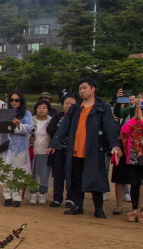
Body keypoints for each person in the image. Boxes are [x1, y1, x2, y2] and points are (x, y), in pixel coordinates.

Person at [48, 78, 121, 219]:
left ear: (93, 89)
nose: (82, 91)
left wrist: (114, 145)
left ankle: (98, 209)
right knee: (76, 179)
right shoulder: (76, 108)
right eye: (80, 88)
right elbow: (64, 127)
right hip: (75, 150)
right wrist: (54, 144)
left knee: (97, 179)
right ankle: (78, 206)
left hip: (95, 150)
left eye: (84, 88)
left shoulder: (103, 108)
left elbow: (110, 128)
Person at [0, 92, 32, 207]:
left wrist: (19, 125)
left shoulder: (26, 114)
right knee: (6, 172)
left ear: (21, 101)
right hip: (6, 147)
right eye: (12, 100)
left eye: (17, 100)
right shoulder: (5, 112)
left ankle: (17, 197)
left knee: (18, 174)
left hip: (20, 148)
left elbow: (29, 128)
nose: (14, 102)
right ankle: (7, 196)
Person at [46, 93, 78, 207]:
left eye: (71, 103)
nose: (68, 106)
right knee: (58, 175)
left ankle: (70, 198)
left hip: (74, 151)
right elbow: (50, 129)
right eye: (66, 103)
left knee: (72, 175)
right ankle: (57, 198)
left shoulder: (78, 118)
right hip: (58, 150)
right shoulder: (58, 116)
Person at [29, 99, 53, 205]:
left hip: (45, 150)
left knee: (44, 173)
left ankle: (42, 193)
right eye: (39, 108)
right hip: (32, 150)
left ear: (48, 110)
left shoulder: (51, 121)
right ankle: (33, 193)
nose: (41, 110)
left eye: (44, 108)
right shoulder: (31, 120)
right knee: (32, 173)